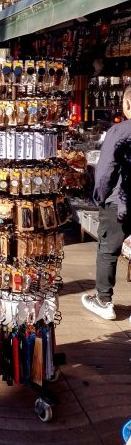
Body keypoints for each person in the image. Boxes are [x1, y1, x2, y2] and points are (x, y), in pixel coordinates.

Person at [82, 86, 131, 321]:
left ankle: (104, 300)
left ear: (127, 105)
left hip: (119, 201)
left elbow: (105, 170)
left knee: (107, 250)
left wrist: (100, 196)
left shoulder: (119, 131)